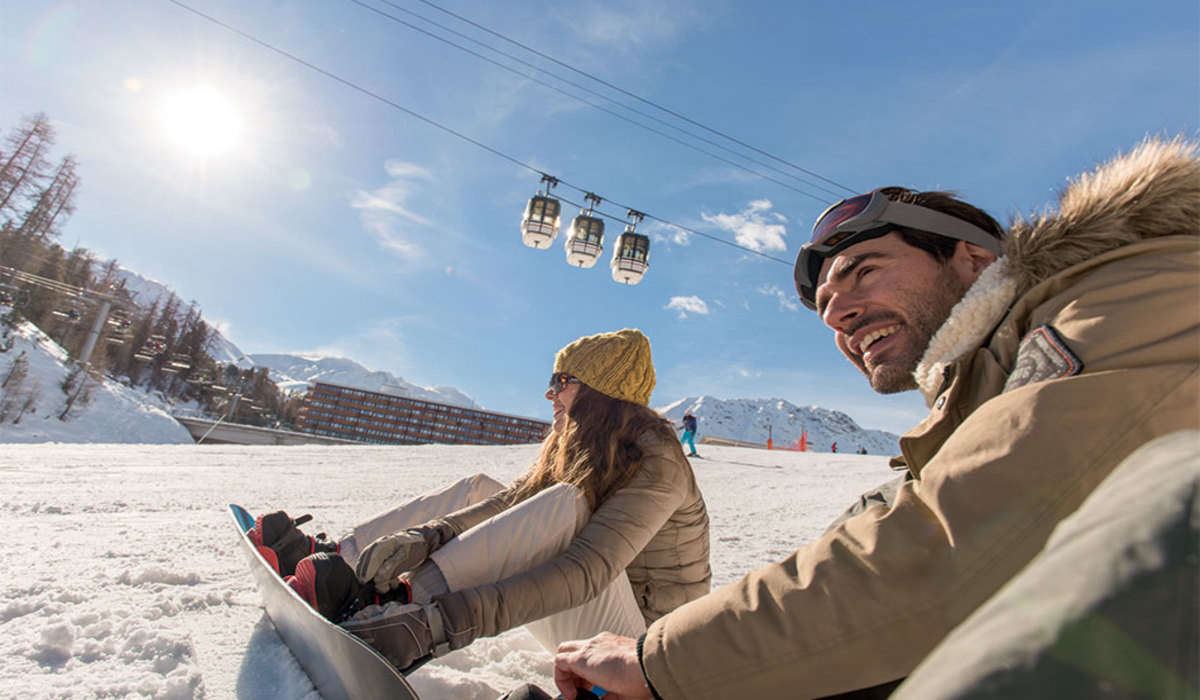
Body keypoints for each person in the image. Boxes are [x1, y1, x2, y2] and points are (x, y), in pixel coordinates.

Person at [551, 138, 1199, 698]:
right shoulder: (991, 384)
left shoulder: (1125, 298)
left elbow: (948, 545)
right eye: (827, 302)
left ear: (974, 259)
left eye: (863, 272)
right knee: (880, 511)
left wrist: (657, 663)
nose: (837, 313)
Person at [253, 328, 712, 673]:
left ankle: (399, 606)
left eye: (562, 380)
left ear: (599, 392)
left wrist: (440, 625)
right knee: (483, 488)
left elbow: (587, 571)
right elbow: (511, 501)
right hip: (588, 613)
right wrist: (429, 534)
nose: (549, 393)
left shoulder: (659, 462)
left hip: (639, 654)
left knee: (564, 504)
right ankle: (346, 564)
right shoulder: (586, 447)